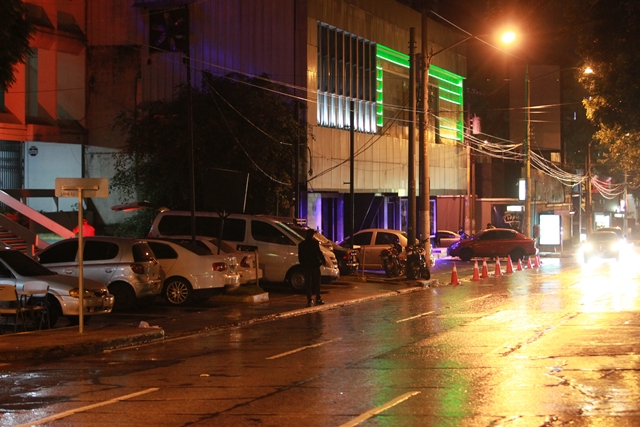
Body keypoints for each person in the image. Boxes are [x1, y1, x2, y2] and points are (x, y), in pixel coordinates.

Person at [297, 228, 325, 307]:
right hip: (314, 265)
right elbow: (319, 253)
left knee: (308, 283)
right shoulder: (314, 243)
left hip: (306, 266)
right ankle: (318, 298)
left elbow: (300, 257)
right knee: (317, 282)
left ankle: (309, 299)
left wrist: (303, 264)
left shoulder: (301, 244)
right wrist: (323, 261)